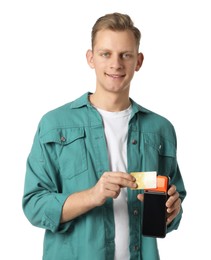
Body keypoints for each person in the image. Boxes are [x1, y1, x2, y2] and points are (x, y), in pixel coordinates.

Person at [22, 12, 186, 260]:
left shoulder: (160, 128)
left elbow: (173, 207)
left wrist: (173, 209)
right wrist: (93, 195)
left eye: (126, 55)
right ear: (91, 58)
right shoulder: (54, 124)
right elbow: (34, 205)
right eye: (105, 54)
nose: (116, 64)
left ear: (138, 61)